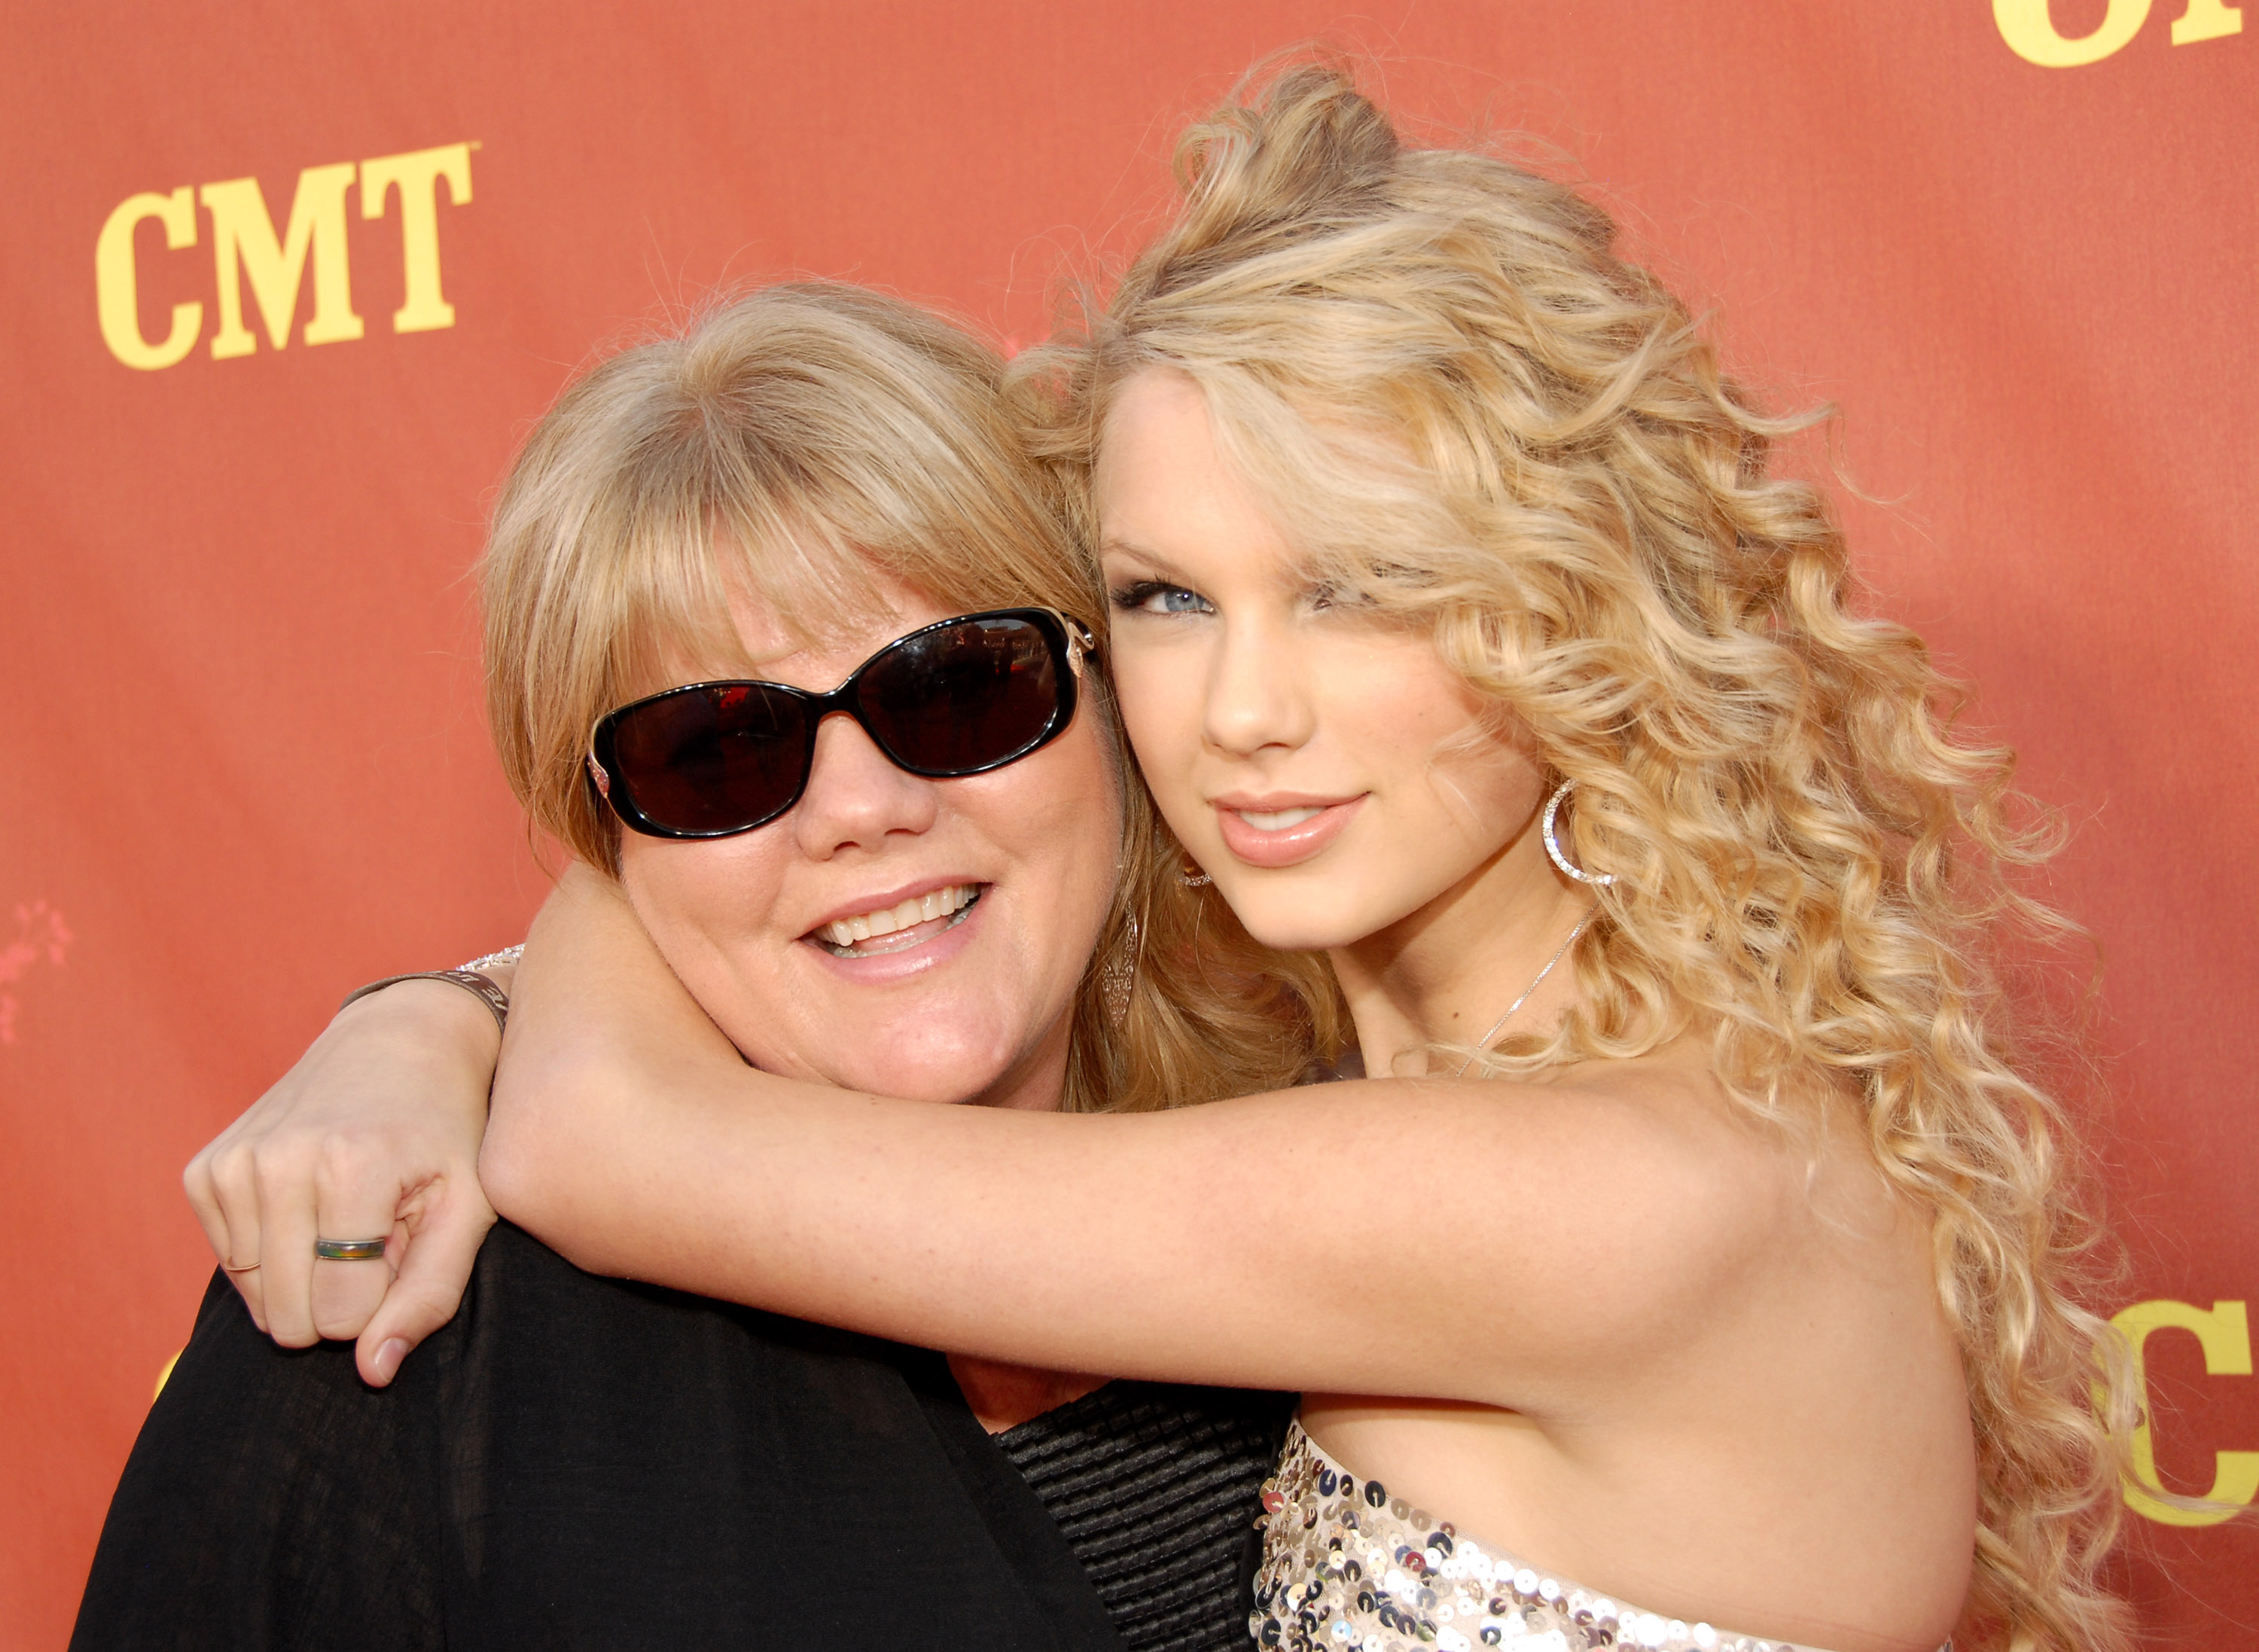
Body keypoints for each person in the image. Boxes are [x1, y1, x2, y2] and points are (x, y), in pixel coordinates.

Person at [187, 64, 2136, 1652]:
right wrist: (444, 1012)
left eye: (1359, 589)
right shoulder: (1391, 1084)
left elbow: (606, 1139)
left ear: (1575, 616)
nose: (1240, 711)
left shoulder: (1605, 1188)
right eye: (1169, 598)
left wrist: (477, 975)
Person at [75, 283, 1330, 1652]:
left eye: (959, 683)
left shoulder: (1368, 1188)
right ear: (606, 836)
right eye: (718, 753)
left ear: (1112, 694)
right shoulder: (417, 1327)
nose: (861, 806)